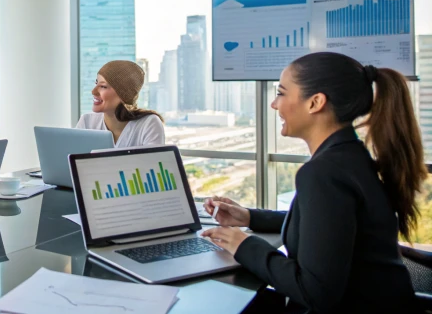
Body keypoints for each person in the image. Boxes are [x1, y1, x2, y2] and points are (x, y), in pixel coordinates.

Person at [201, 52, 424, 313]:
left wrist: (243, 245)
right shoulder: (351, 156)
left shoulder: (324, 172)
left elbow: (314, 292)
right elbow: (329, 227)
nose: (274, 104)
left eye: (282, 93)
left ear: (315, 102)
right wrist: (249, 217)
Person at [76, 60, 164, 147]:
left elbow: (154, 161)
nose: (93, 91)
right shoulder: (86, 122)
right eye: (96, 83)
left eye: (103, 86)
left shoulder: (149, 124)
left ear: (123, 94)